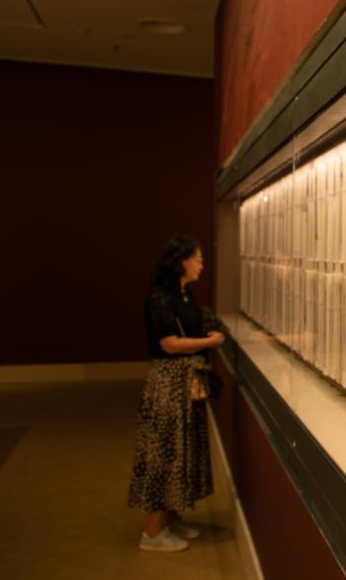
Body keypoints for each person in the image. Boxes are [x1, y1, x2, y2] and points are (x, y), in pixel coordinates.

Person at [128, 235, 225, 552]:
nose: (201, 265)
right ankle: (152, 533)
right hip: (169, 384)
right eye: (197, 259)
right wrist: (209, 343)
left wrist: (207, 332)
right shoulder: (159, 298)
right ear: (181, 261)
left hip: (186, 383)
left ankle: (171, 516)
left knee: (181, 451)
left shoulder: (184, 294)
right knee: (164, 453)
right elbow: (168, 344)